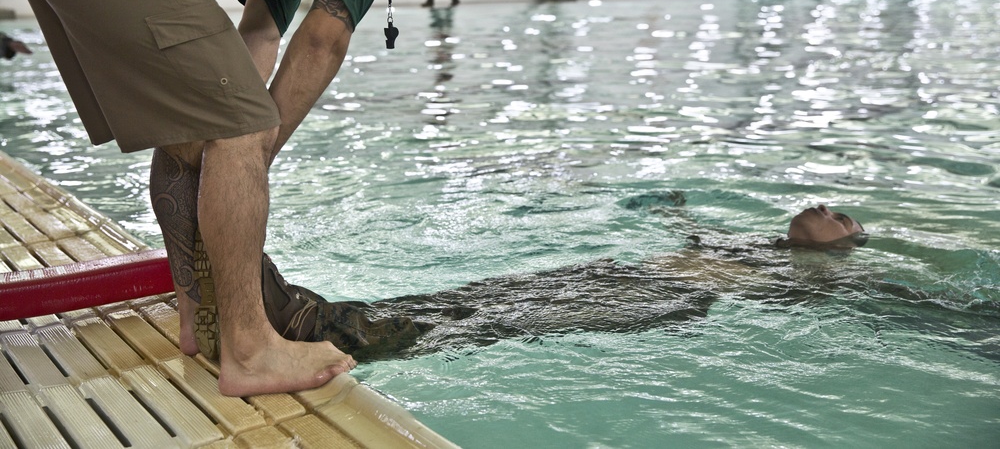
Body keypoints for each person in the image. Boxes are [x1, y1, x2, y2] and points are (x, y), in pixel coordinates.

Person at [6, 0, 484, 397]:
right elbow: (322, 42)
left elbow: (259, 36)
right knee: (239, 126)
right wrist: (250, 148)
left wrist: (241, 151)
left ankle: (199, 318)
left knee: (201, 130)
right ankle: (250, 351)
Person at [245, 203, 870, 361]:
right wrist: (672, 207)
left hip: (655, 300)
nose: (825, 209)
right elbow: (692, 230)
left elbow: (898, 308)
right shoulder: (755, 242)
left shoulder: (812, 277)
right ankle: (314, 315)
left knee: (489, 323)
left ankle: (338, 337)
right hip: (616, 276)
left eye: (841, 217)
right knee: (474, 299)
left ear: (847, 246)